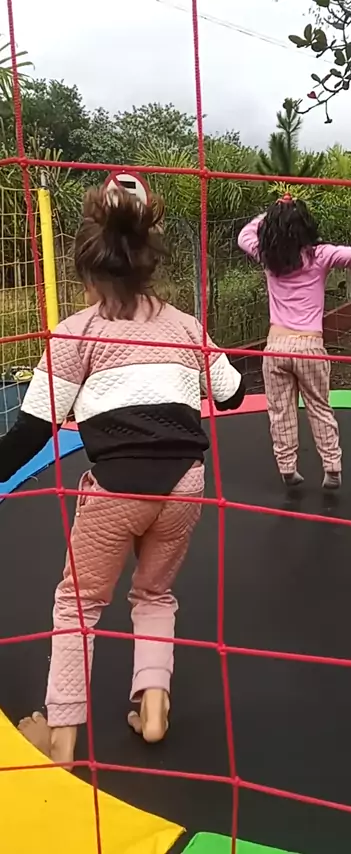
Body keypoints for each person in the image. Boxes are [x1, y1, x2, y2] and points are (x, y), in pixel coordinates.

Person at [0, 187, 245, 765]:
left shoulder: (76, 333)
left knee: (78, 603)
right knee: (155, 593)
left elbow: (30, 434)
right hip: (185, 484)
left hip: (116, 489)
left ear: (88, 273)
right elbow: (232, 395)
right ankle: (154, 710)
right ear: (148, 265)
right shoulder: (184, 326)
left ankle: (61, 738)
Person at [238, 195, 351, 490]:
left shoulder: (268, 255)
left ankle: (287, 467)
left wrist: (274, 213)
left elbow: (244, 235)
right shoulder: (320, 255)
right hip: (309, 347)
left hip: (276, 347)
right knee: (319, 407)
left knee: (281, 411)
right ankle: (332, 466)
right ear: (306, 227)